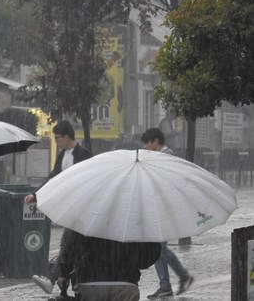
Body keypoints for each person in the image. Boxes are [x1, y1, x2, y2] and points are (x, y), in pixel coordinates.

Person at [24, 120, 93, 295]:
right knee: (71, 247)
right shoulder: (62, 156)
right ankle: (69, 282)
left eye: (57, 138)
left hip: (82, 208)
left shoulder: (83, 155)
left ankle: (54, 280)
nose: (55, 142)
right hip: (69, 207)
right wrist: (37, 195)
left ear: (66, 137)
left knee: (68, 244)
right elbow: (54, 177)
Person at [141, 128, 195, 299]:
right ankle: (170, 283)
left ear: (156, 141)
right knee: (158, 248)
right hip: (159, 207)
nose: (146, 147)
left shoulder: (167, 157)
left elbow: (167, 184)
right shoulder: (160, 157)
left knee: (158, 248)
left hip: (165, 208)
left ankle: (177, 279)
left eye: (147, 143)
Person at [56, 229, 162, 300]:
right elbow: (148, 257)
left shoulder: (88, 217)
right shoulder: (135, 220)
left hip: (90, 282)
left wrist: (64, 274)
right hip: (126, 284)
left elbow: (71, 247)